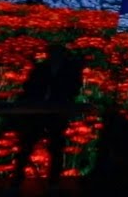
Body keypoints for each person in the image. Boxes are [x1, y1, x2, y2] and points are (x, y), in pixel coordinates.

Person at [13, 43, 86, 188]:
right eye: (52, 54)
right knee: (27, 146)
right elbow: (28, 86)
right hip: (37, 112)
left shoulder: (70, 70)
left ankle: (53, 184)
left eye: (57, 54)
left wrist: (63, 99)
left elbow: (75, 88)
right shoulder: (40, 68)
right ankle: (16, 183)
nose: (54, 57)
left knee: (56, 148)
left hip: (57, 112)